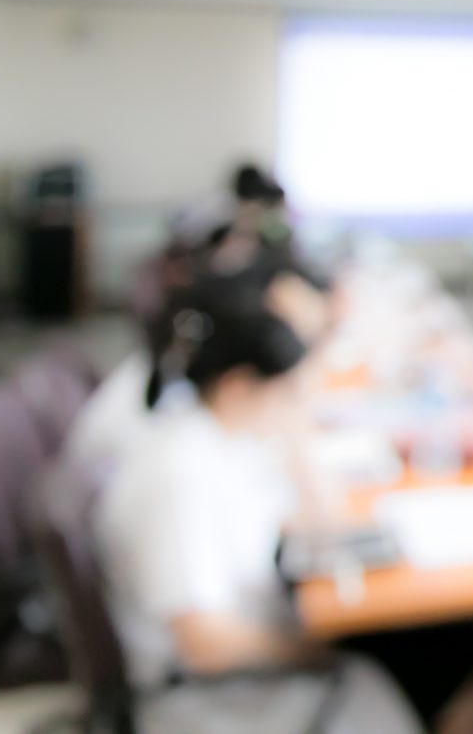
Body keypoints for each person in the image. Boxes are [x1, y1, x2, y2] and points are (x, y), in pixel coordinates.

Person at [93, 282, 430, 734]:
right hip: (217, 694)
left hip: (255, 657)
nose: (299, 401)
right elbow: (206, 644)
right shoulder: (177, 475)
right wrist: (317, 649)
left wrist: (294, 428)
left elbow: (322, 517)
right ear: (237, 387)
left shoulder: (222, 439)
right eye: (287, 389)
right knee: (412, 672)